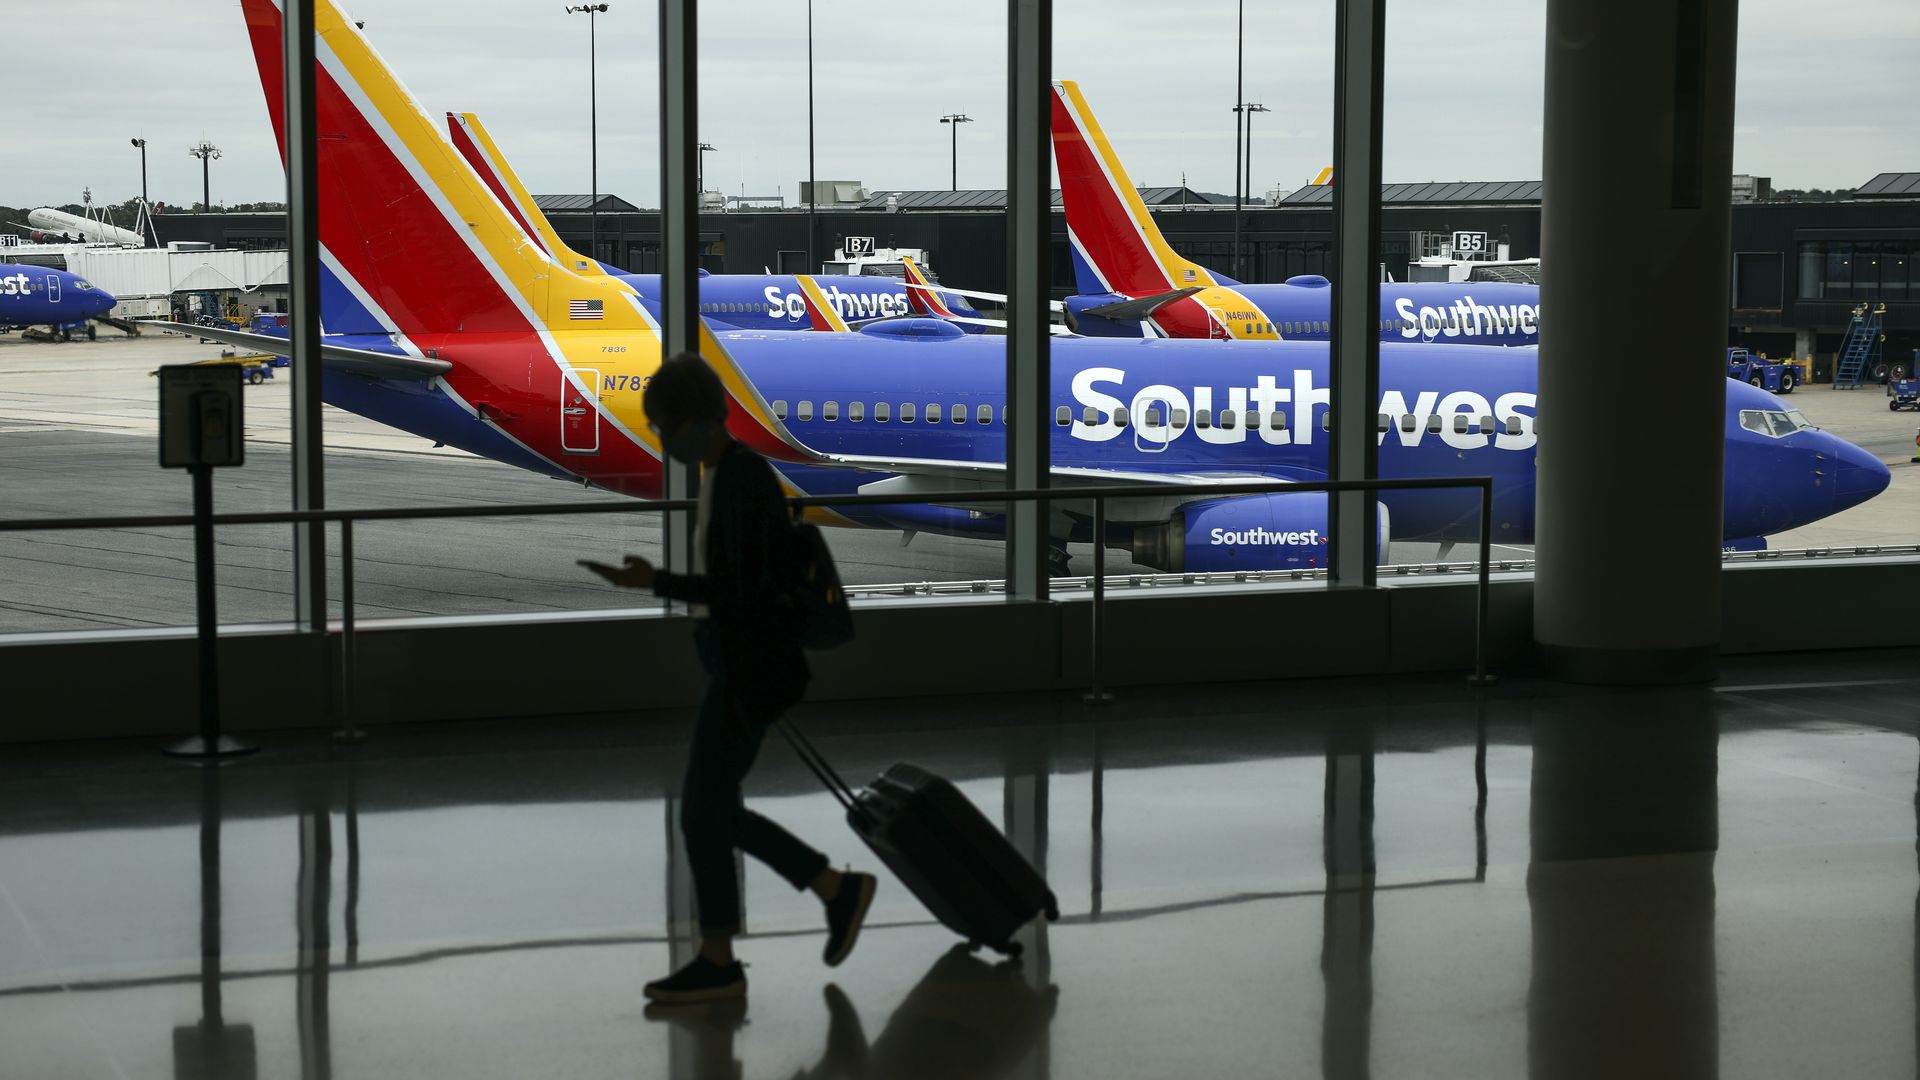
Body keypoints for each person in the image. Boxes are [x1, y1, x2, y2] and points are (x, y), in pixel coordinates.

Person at [581, 352, 876, 1005]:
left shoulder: (742, 479)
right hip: (748, 666)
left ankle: (729, 954)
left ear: (693, 419)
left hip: (754, 670)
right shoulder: (727, 475)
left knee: (701, 811)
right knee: (710, 810)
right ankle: (826, 893)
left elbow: (741, 589)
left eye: (664, 427)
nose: (663, 441)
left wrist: (652, 581)